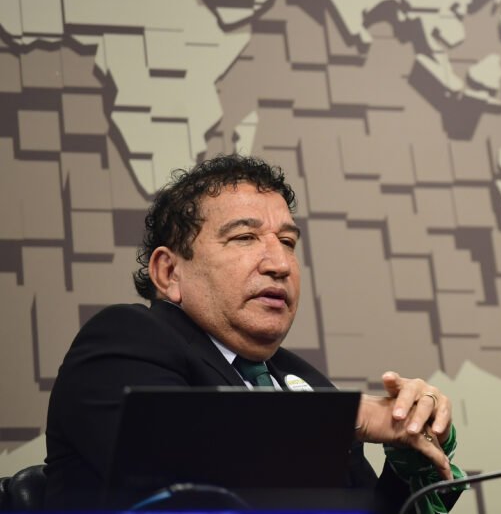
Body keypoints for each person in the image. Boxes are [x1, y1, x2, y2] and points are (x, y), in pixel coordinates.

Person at [44, 155, 462, 512]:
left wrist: (410, 455)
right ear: (169, 272)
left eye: (288, 242)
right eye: (244, 237)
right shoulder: (126, 340)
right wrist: (352, 417)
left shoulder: (304, 381)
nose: (279, 264)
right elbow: (182, 471)